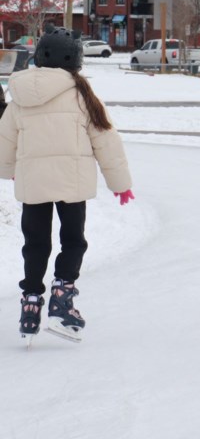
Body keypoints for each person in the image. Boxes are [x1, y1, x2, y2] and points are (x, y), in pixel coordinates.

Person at [0, 27, 134, 342]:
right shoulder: (81, 94)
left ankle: (31, 304)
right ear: (75, 60)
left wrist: (9, 170)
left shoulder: (19, 95)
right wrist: (120, 183)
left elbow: (5, 139)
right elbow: (105, 140)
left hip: (33, 184)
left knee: (35, 244)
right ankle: (62, 295)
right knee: (73, 241)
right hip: (72, 184)